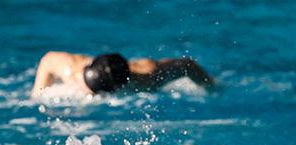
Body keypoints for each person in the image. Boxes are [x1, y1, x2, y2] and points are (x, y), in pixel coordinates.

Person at [31, 51, 215, 97]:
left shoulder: (147, 79)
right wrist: (38, 93)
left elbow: (187, 64)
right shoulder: (71, 69)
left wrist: (210, 87)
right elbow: (48, 59)